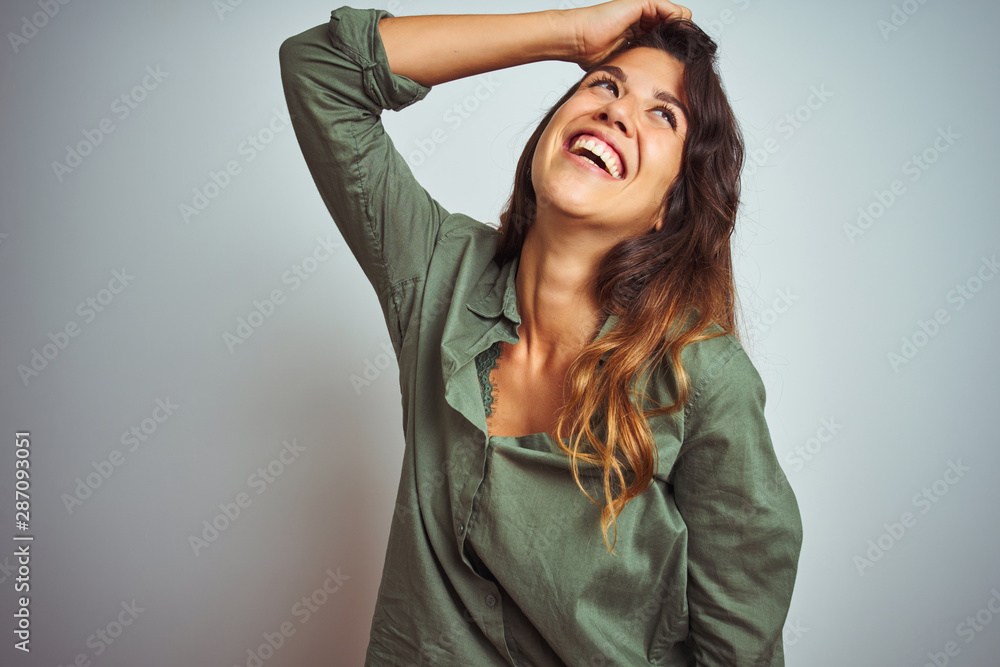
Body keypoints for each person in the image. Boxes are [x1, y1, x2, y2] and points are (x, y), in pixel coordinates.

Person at [279, 1, 803, 664]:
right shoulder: (438, 268)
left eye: (662, 114)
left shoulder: (704, 377)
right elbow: (320, 67)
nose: (617, 111)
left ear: (669, 208)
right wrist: (571, 35)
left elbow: (740, 644)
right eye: (605, 85)